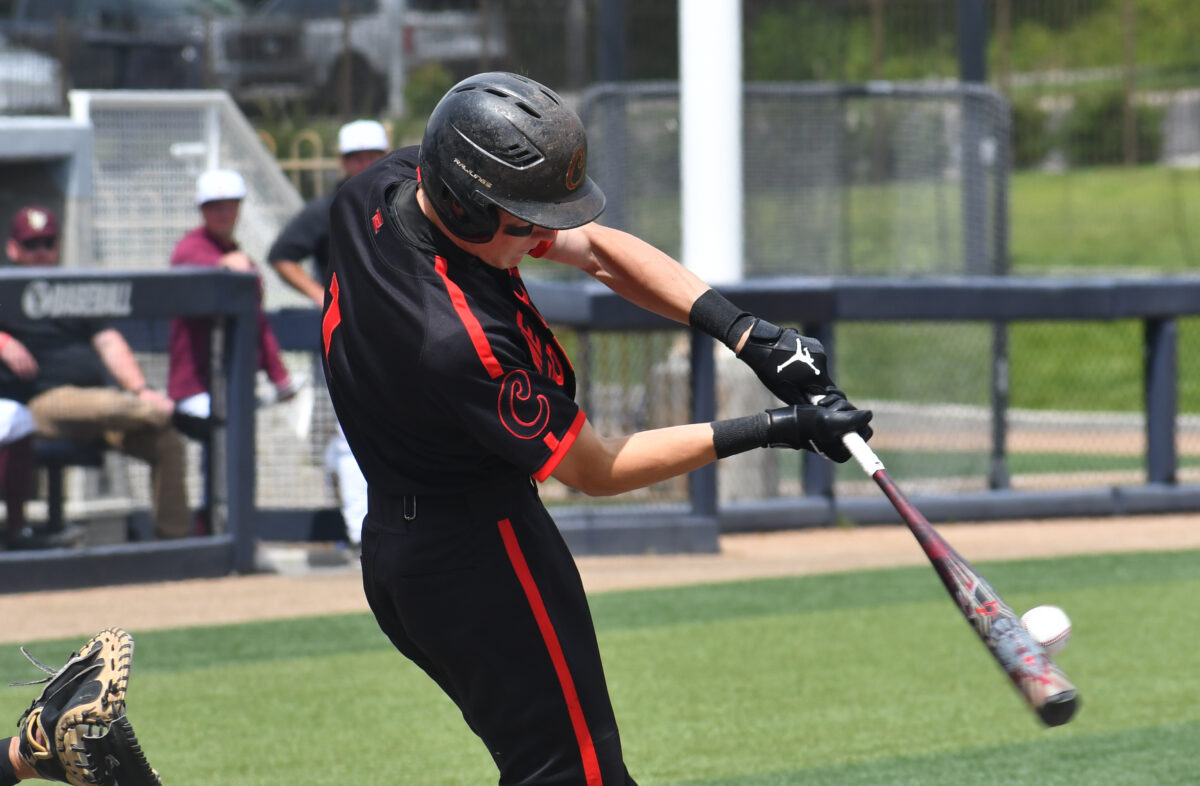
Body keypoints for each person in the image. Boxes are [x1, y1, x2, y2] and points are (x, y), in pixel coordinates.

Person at [322, 72, 874, 784]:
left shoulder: (385, 188)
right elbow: (597, 468)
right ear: (465, 207)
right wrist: (775, 426)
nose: (549, 235)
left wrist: (750, 336)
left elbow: (600, 251)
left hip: (404, 553)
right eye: (527, 220)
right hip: (478, 556)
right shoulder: (455, 337)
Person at [0, 206, 191, 540]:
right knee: (111, 405)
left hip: (97, 411)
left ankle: (173, 544)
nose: (42, 252)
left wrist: (142, 388)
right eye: (32, 245)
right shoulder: (4, 287)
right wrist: (2, 341)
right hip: (40, 405)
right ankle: (181, 414)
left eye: (48, 242)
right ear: (12, 248)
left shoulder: (72, 288)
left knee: (166, 443)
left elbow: (108, 341)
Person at [267, 119, 388, 549]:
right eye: (357, 157)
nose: (366, 164)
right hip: (349, 333)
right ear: (343, 162)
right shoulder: (330, 207)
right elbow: (282, 254)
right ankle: (361, 531)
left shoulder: (402, 199)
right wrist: (322, 296)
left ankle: (397, 523)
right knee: (352, 432)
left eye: (373, 155)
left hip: (397, 329)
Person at [167, 169, 302, 421]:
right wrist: (224, 265)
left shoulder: (233, 252)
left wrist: (279, 376)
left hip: (232, 379)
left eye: (230, 206)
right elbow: (192, 262)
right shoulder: (191, 247)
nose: (223, 214)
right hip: (196, 385)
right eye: (214, 207)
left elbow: (257, 321)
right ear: (202, 210)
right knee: (217, 450)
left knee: (234, 451)